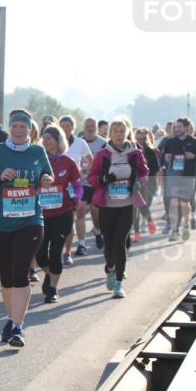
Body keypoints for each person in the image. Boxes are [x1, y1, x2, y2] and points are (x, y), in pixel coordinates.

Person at [0, 109, 53, 349]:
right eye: (15, 126)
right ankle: (11, 318)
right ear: (9, 128)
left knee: (20, 273)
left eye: (23, 127)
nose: (19, 131)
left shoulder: (38, 152)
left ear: (30, 130)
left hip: (30, 221)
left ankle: (18, 327)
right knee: (7, 276)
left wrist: (47, 179)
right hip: (0, 223)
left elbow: (46, 174)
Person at [87, 120, 150, 298]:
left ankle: (119, 284)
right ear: (111, 134)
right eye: (115, 131)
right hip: (107, 204)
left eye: (122, 131)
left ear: (126, 132)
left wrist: (138, 183)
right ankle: (110, 268)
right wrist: (104, 178)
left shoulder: (136, 153)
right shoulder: (103, 154)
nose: (119, 134)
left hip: (127, 204)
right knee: (109, 244)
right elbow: (91, 177)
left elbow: (145, 172)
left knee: (120, 242)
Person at [35, 125, 82, 303]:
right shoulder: (37, 161)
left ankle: (52, 289)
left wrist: (77, 197)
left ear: (58, 140)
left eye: (49, 138)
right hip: (40, 215)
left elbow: (77, 184)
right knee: (40, 254)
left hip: (63, 213)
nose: (45, 141)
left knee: (55, 252)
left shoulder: (67, 162)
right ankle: (49, 273)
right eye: (44, 138)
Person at [161, 118, 196, 242]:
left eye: (180, 127)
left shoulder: (195, 142)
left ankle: (185, 226)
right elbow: (164, 157)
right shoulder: (170, 141)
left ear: (186, 127)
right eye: (176, 126)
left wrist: (194, 156)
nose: (177, 129)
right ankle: (174, 231)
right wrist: (166, 158)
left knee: (185, 204)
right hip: (173, 174)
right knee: (173, 202)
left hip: (189, 175)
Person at [58, 115, 91, 264]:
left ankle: (68, 252)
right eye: (63, 125)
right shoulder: (54, 140)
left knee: (70, 219)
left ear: (73, 127)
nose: (66, 128)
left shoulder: (80, 142)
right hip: (56, 187)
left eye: (68, 125)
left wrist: (84, 171)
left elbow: (91, 161)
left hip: (74, 185)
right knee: (56, 221)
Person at [77, 117, 108, 252]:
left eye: (92, 125)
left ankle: (97, 230)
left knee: (96, 211)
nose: (90, 128)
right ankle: (81, 244)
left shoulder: (103, 143)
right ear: (83, 127)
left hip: (96, 182)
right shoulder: (79, 142)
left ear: (96, 127)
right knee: (81, 210)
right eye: (87, 125)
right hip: (82, 182)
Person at [132, 127, 160, 241]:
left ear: (146, 138)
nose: (140, 141)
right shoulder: (132, 150)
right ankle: (137, 233)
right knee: (134, 208)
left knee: (144, 206)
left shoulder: (151, 151)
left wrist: (145, 169)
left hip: (148, 182)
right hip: (135, 183)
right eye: (137, 139)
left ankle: (149, 220)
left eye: (142, 139)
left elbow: (155, 168)